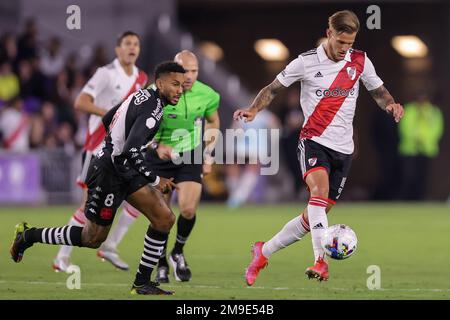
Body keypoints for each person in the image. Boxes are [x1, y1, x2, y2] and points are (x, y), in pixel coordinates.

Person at [234, 10, 404, 284]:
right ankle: (320, 262)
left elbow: (378, 91)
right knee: (319, 193)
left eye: (349, 43)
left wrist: (391, 104)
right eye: (340, 42)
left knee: (313, 216)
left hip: (344, 149)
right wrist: (254, 110)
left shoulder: (359, 61)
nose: (345, 49)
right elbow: (273, 88)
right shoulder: (306, 62)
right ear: (329, 34)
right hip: (313, 141)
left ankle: (262, 252)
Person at [10, 61, 185, 296]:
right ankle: (28, 236)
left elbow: (110, 118)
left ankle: (142, 283)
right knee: (92, 238)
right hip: (109, 173)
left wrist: (123, 143)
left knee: (164, 218)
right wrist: (156, 180)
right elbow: (131, 150)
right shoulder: (153, 109)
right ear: (160, 82)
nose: (180, 90)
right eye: (175, 84)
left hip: (123, 168)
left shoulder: (141, 95)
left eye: (182, 85)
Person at [52, 31, 148, 272]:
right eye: (127, 43)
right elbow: (80, 103)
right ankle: (61, 257)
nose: (132, 48)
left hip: (121, 152)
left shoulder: (142, 78)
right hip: (97, 149)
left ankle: (110, 246)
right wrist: (110, 112)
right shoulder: (106, 74)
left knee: (140, 200)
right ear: (118, 49)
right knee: (87, 209)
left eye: (136, 44)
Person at [146, 50, 220, 283]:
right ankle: (160, 266)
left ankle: (177, 252)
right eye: (184, 71)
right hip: (159, 159)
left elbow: (213, 121)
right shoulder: (154, 93)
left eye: (194, 71)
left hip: (189, 156)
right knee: (162, 215)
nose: (189, 76)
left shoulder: (208, 94)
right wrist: (157, 146)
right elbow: (141, 128)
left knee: (188, 210)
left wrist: (208, 155)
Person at [397, 93, 443, 200]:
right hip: (410, 149)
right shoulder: (409, 110)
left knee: (424, 176)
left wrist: (426, 140)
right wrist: (415, 138)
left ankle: (420, 198)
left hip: (427, 149)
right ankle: (407, 198)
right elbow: (404, 127)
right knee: (408, 175)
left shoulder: (433, 111)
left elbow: (438, 128)